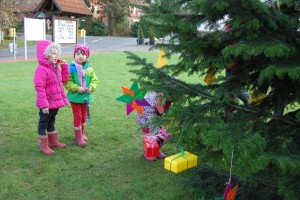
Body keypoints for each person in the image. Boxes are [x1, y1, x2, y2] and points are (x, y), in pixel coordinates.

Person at [34, 40, 69, 155]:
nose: (56, 56)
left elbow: (63, 80)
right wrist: (44, 105)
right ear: (46, 55)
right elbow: (40, 88)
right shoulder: (41, 70)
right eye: (53, 53)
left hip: (55, 102)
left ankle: (53, 141)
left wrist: (64, 67)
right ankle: (43, 145)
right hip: (47, 104)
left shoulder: (55, 68)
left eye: (57, 53)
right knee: (43, 123)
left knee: (52, 121)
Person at [64, 44, 99, 147]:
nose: (80, 56)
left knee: (83, 115)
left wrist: (91, 87)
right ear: (74, 55)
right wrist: (76, 88)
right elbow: (67, 82)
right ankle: (78, 137)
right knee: (78, 115)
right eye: (77, 54)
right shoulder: (71, 68)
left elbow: (95, 80)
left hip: (85, 98)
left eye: (83, 54)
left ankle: (82, 134)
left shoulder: (89, 69)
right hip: (74, 97)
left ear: (87, 56)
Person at [136, 91, 172, 160]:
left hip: (158, 117)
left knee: (163, 132)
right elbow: (152, 122)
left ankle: (156, 150)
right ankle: (146, 152)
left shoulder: (166, 97)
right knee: (152, 134)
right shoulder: (149, 103)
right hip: (145, 120)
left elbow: (165, 111)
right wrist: (164, 133)